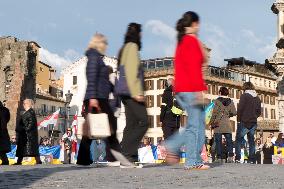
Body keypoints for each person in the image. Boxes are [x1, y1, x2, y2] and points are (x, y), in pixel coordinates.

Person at [77, 33, 134, 167]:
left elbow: (103, 81)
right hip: (97, 98)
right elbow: (92, 78)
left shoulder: (96, 57)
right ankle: (118, 159)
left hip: (99, 96)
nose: (106, 46)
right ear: (99, 43)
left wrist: (114, 90)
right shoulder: (94, 57)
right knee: (110, 129)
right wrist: (92, 99)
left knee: (90, 132)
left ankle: (83, 159)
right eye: (105, 43)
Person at [165, 11, 210, 170]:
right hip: (190, 88)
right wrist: (198, 91)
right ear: (194, 24)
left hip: (182, 88)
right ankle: (190, 159)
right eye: (198, 23)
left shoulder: (183, 41)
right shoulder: (190, 41)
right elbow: (193, 67)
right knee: (194, 126)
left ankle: (194, 158)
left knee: (197, 124)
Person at [118, 23, 148, 163]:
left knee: (131, 124)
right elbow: (130, 70)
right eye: (141, 32)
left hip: (125, 92)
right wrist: (137, 93)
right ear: (137, 33)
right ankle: (126, 152)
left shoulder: (125, 48)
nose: (142, 35)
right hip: (131, 92)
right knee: (144, 122)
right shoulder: (132, 47)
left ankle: (130, 157)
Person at [235, 82, 261, 164]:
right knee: (251, 140)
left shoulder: (244, 96)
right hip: (253, 122)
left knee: (238, 139)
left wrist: (238, 119)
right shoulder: (257, 98)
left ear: (245, 88)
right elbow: (259, 112)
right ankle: (252, 159)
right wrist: (254, 117)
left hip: (244, 121)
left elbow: (240, 109)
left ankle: (238, 158)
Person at [209, 87, 237, 163]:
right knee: (229, 141)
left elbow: (214, 113)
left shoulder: (217, 101)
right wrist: (228, 115)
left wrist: (211, 122)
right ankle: (230, 157)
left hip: (218, 124)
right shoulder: (231, 101)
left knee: (218, 141)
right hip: (227, 123)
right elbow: (234, 112)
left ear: (220, 92)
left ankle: (219, 158)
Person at [14, 99, 41, 165]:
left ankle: (38, 161)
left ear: (28, 104)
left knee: (31, 149)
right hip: (25, 134)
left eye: (24, 103)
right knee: (23, 148)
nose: (23, 105)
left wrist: (24, 129)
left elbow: (31, 124)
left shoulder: (30, 112)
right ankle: (19, 161)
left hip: (28, 135)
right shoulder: (28, 112)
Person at [0, 101, 11, 165]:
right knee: (2, 149)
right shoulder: (5, 110)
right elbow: (7, 119)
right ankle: (5, 161)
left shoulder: (3, 111)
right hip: (3, 130)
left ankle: (5, 161)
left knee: (1, 149)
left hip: (1, 131)